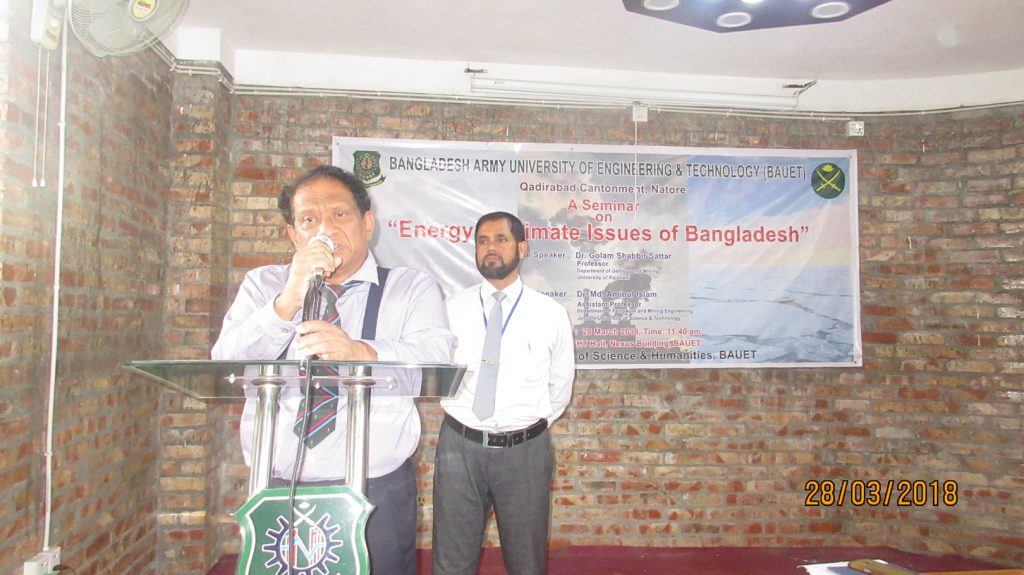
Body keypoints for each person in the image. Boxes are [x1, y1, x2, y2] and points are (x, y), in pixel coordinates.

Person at [212, 165, 454, 575]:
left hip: (376, 491)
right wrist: (287, 302)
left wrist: (360, 351)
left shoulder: (410, 287)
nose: (325, 228)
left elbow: (434, 358)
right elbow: (226, 365)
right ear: (293, 235)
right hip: (275, 486)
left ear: (367, 223)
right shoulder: (263, 286)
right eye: (309, 220)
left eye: (339, 214)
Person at [432, 211, 575, 575]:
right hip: (459, 447)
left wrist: (523, 426)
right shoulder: (451, 310)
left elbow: (560, 385)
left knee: (527, 562)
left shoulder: (550, 314)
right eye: (483, 241)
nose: (490, 248)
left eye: (500, 239)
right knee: (451, 561)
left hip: (524, 453)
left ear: (522, 248)